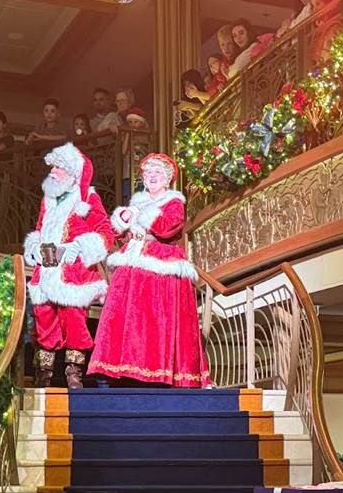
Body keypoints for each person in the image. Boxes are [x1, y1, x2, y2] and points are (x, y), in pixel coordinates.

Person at [88, 153, 210, 388]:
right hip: (133, 256)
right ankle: (123, 367)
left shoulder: (173, 203)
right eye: (148, 173)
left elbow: (168, 227)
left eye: (157, 173)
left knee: (153, 316)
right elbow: (119, 232)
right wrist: (123, 223)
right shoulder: (138, 202)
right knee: (123, 312)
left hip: (160, 261)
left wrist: (142, 215)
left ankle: (154, 370)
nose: (152, 177)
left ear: (167, 178)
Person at [23, 143, 115, 389]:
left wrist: (80, 246)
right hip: (47, 268)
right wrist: (34, 246)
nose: (52, 171)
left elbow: (105, 233)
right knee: (44, 320)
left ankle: (74, 373)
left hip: (73, 272)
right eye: (52, 166)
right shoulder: (48, 199)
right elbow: (40, 227)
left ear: (72, 173)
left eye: (58, 167)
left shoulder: (88, 198)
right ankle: (43, 374)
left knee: (74, 321)